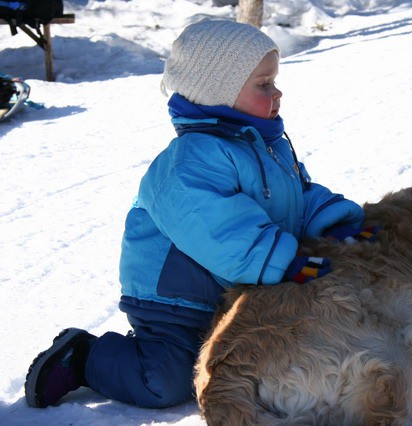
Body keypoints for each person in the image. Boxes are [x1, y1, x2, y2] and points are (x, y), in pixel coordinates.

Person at [24, 19, 376, 409]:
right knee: (167, 381)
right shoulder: (188, 161)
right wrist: (282, 258)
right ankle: (85, 357)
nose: (277, 93)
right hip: (175, 301)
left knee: (264, 359)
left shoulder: (265, 145)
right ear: (217, 92)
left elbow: (299, 196)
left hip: (237, 283)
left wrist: (336, 223)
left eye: (273, 82)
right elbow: (216, 228)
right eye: (263, 84)